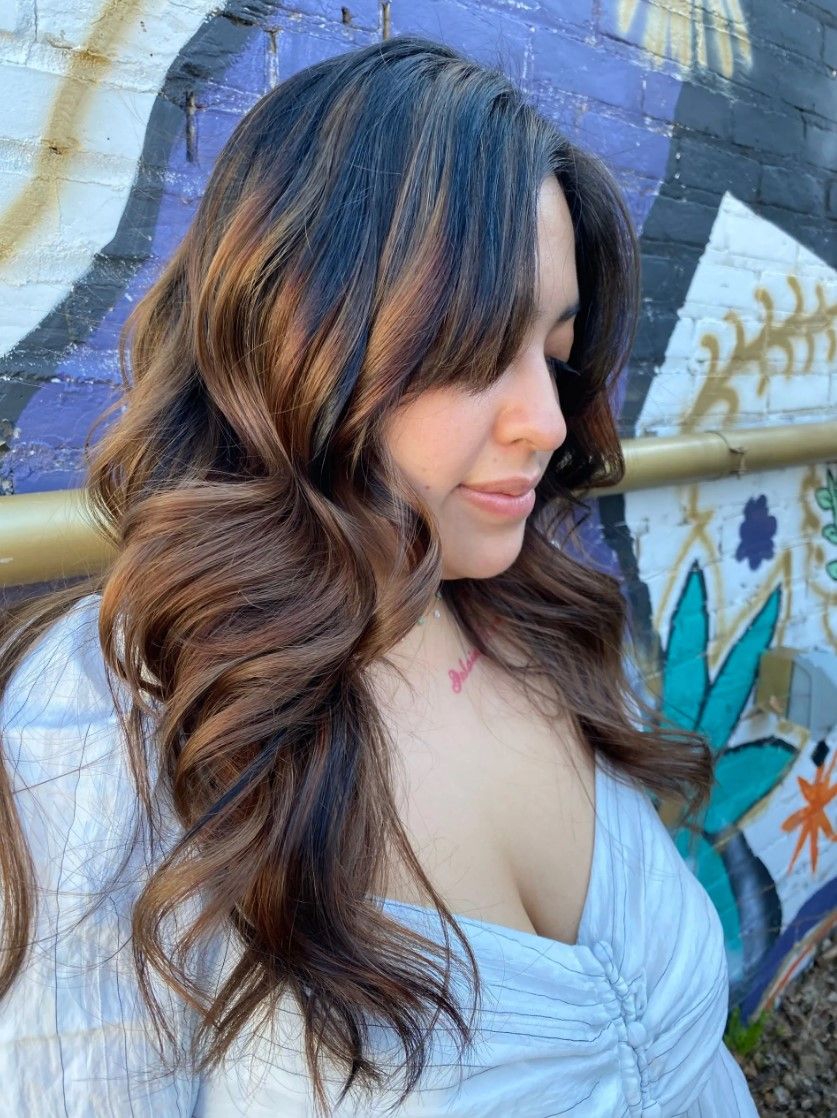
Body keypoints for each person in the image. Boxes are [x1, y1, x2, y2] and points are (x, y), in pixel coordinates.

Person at [0, 34, 759, 1118]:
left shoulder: (534, 612)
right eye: (471, 352)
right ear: (299, 338)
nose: (547, 423)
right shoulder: (107, 727)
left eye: (555, 351)